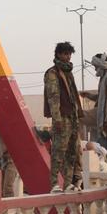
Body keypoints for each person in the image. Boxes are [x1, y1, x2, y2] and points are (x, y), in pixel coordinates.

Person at [43, 41, 83, 192]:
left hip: (72, 116)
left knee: (72, 151)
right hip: (62, 117)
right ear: (59, 54)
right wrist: (57, 118)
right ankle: (54, 183)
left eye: (69, 54)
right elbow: (53, 97)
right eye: (66, 54)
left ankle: (67, 183)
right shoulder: (53, 73)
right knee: (59, 151)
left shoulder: (68, 72)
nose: (68, 57)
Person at [81, 52, 107, 144]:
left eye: (96, 66)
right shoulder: (103, 78)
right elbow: (102, 98)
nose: (95, 69)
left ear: (101, 66)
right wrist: (89, 95)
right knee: (77, 115)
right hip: (100, 116)